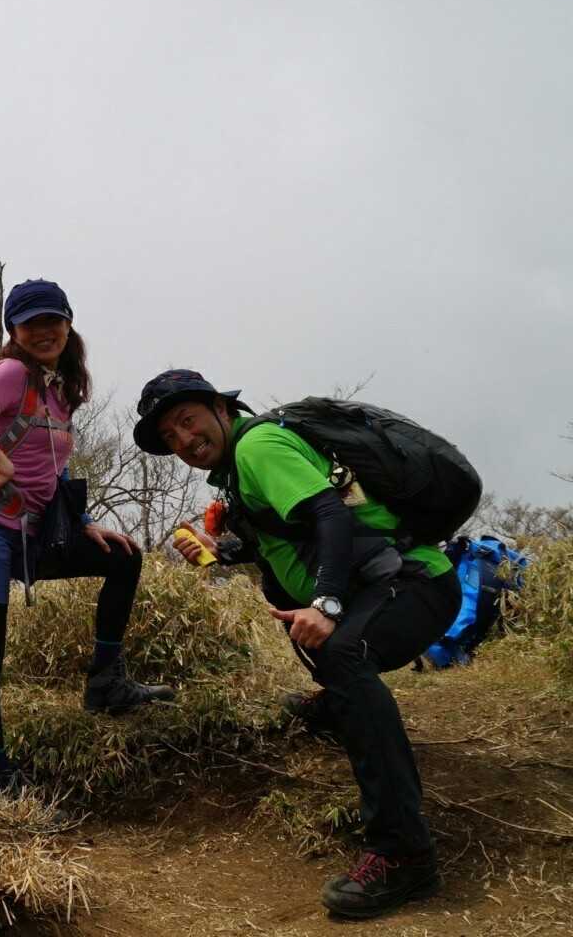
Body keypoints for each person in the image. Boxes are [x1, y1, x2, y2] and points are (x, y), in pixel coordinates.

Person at [136, 368, 462, 920]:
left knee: (343, 654)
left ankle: (404, 852)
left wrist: (327, 603)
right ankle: (337, 708)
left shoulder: (258, 446)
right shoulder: (239, 473)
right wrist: (219, 550)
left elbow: (329, 513)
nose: (184, 440)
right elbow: (286, 542)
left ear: (220, 407)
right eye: (169, 436)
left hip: (414, 582)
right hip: (382, 585)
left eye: (187, 421)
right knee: (316, 636)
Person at [0, 279, 173, 794]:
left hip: (36, 533)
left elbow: (52, 463)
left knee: (123, 558)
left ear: (69, 324)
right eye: (31, 324)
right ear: (14, 332)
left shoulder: (59, 388)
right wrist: (0, 463)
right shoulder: (12, 373)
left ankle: (106, 683)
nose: (44, 331)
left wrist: (83, 519)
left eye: (53, 320)